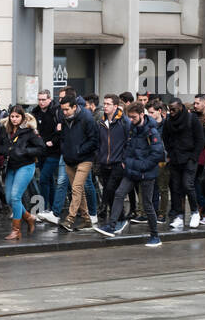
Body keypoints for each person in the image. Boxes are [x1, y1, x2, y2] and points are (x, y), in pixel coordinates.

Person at [95, 102, 165, 247]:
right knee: (119, 193)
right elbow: (128, 146)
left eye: (133, 117)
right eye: (130, 117)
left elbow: (157, 154)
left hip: (146, 172)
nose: (131, 120)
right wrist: (125, 161)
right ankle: (112, 226)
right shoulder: (133, 128)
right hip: (132, 169)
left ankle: (155, 236)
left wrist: (141, 166)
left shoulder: (152, 131)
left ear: (141, 115)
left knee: (147, 204)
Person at [1, 106, 45, 241]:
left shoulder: (29, 131)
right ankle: (28, 217)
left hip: (26, 166)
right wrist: (5, 151)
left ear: (22, 117)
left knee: (15, 197)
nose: (14, 119)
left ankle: (16, 230)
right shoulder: (6, 130)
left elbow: (41, 148)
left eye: (17, 117)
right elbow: (1, 146)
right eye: (12, 116)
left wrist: (25, 151)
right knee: (9, 199)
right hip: (11, 166)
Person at [57, 94, 100, 232]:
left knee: (76, 188)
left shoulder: (87, 118)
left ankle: (70, 219)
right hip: (69, 159)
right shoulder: (64, 118)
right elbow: (62, 137)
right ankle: (87, 220)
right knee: (78, 191)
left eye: (66, 110)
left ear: (74, 107)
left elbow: (94, 140)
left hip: (85, 159)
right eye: (62, 110)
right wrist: (65, 151)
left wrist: (79, 151)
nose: (64, 113)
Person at [162, 98, 204, 230]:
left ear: (180, 107)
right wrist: (170, 153)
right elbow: (165, 137)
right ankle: (178, 215)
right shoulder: (169, 121)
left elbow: (200, 139)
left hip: (189, 159)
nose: (171, 112)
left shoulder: (192, 119)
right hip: (175, 159)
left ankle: (194, 212)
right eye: (169, 109)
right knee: (175, 188)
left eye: (173, 109)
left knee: (188, 185)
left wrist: (194, 157)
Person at [30, 89, 64, 221]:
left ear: (49, 99)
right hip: (41, 150)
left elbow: (60, 130)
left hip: (54, 151)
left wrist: (52, 141)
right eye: (39, 99)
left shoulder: (56, 111)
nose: (41, 102)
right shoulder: (35, 112)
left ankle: (45, 209)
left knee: (44, 178)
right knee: (49, 180)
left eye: (44, 99)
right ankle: (51, 209)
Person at [97, 94, 129, 222]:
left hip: (118, 163)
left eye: (108, 104)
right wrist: (99, 155)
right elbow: (98, 141)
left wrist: (124, 160)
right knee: (108, 191)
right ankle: (119, 218)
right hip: (104, 162)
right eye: (104, 103)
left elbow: (129, 141)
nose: (105, 106)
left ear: (115, 106)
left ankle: (116, 219)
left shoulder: (124, 122)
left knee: (111, 190)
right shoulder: (101, 122)